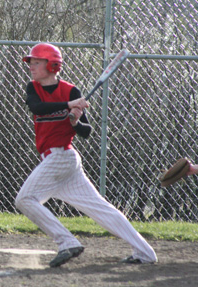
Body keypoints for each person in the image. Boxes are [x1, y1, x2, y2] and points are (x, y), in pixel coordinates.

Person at [15, 42, 157, 267]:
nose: (31, 66)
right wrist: (69, 105)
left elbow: (86, 132)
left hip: (62, 158)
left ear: (52, 65)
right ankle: (145, 253)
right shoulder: (34, 88)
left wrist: (75, 120)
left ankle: (67, 242)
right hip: (56, 163)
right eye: (31, 62)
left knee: (25, 199)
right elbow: (37, 108)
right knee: (99, 209)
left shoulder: (71, 90)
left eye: (36, 62)